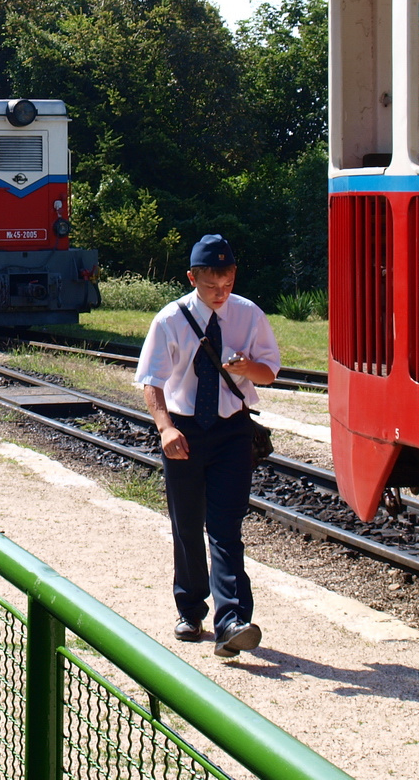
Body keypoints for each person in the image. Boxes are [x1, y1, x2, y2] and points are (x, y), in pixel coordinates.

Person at [137, 234, 279, 658]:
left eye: (227, 283)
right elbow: (152, 382)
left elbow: (270, 373)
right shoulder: (169, 320)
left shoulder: (249, 315)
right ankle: (190, 608)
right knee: (186, 523)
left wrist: (248, 367)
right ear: (192, 278)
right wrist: (165, 429)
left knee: (225, 526)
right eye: (211, 285)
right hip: (183, 429)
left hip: (232, 430)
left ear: (234, 275)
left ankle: (232, 621)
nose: (221, 293)